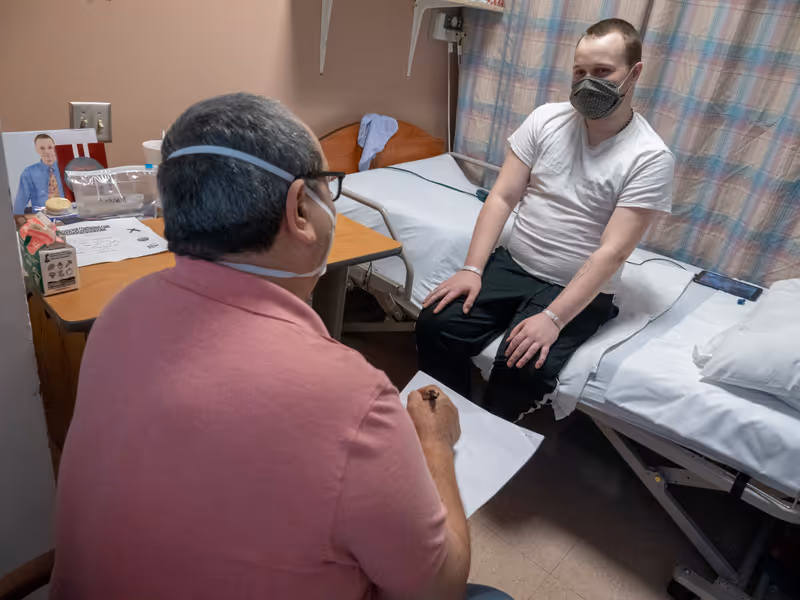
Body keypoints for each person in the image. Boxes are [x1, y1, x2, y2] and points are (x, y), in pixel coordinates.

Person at [51, 93, 512, 600]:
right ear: (299, 208)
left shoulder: (121, 312)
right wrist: (434, 444)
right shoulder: (346, 393)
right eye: (327, 191)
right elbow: (438, 587)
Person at [416, 18, 675, 421]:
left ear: (635, 73)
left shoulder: (649, 157)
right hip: (515, 263)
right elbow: (501, 197)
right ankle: (445, 420)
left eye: (603, 72)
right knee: (437, 323)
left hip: (577, 285)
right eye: (580, 72)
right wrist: (471, 268)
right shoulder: (546, 120)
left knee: (521, 364)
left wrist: (554, 318)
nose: (588, 82)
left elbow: (614, 251)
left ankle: (492, 442)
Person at [13, 133, 64, 214]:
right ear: (36, 150)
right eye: (42, 148)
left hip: (68, 215)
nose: (46, 151)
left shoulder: (67, 168)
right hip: (42, 218)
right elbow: (21, 200)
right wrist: (17, 220)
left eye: (50, 147)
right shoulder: (29, 172)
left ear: (55, 147)